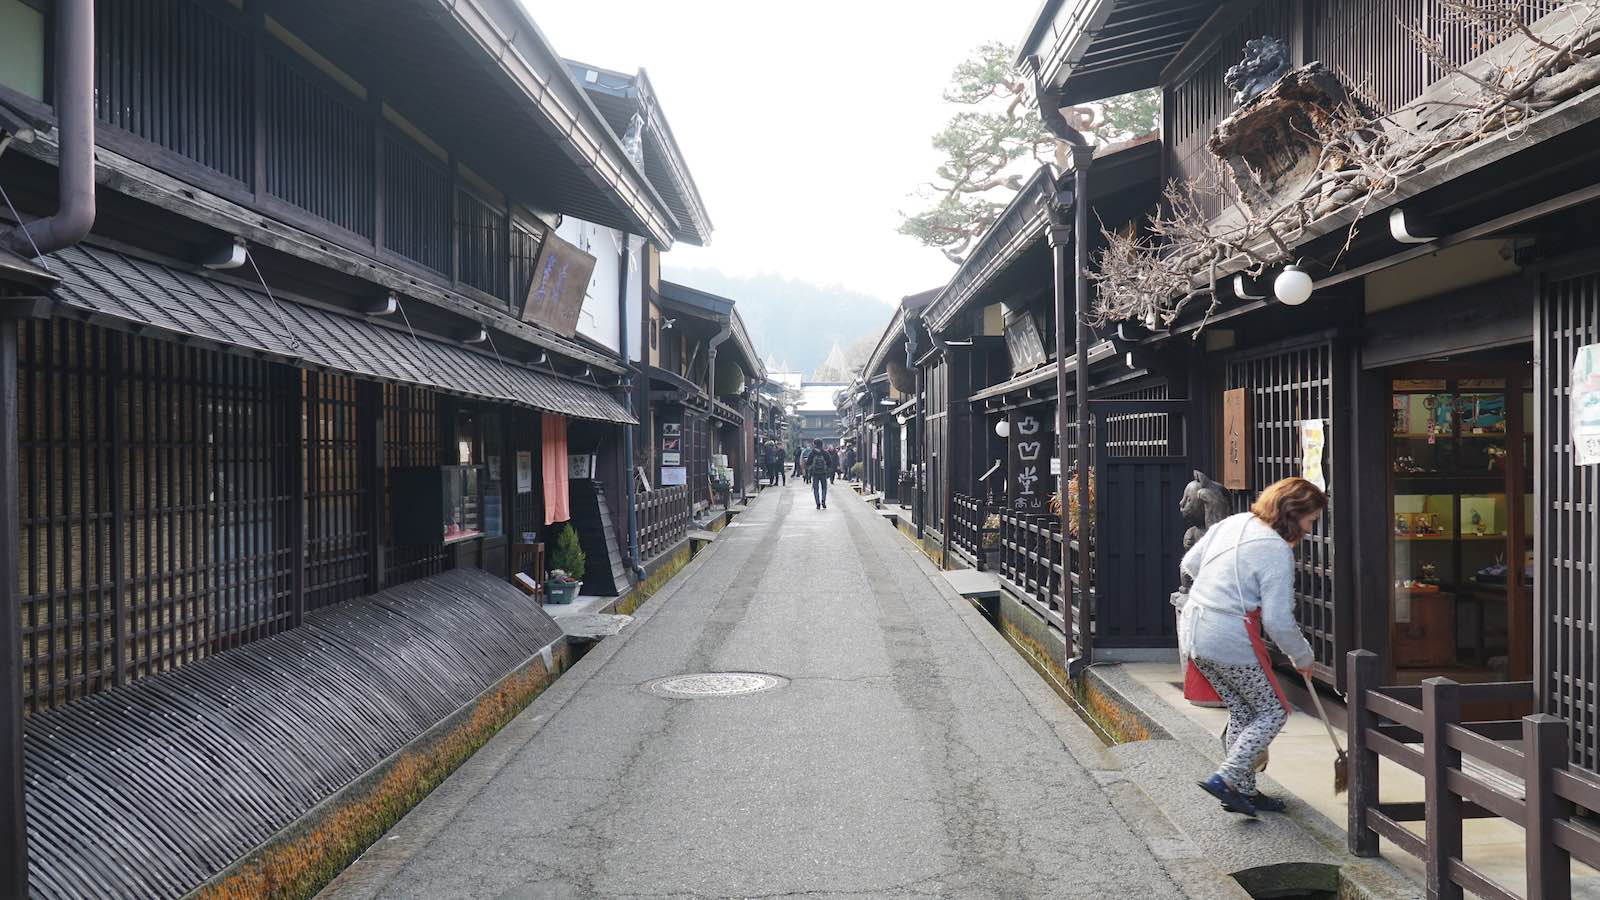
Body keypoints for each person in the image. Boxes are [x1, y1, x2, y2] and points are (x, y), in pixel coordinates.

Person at [1178, 476, 1325, 818]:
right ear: (1294, 512)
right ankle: (1227, 779)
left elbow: (1190, 565)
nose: (1309, 526)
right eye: (1310, 519)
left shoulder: (1234, 522)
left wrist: (1221, 586)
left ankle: (1242, 792)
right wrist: (1303, 657)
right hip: (1229, 635)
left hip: (1196, 630)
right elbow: (1277, 620)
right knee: (1273, 711)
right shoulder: (1275, 549)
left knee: (1244, 710)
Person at [807, 438, 833, 508]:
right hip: (823, 473)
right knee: (824, 488)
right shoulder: (825, 453)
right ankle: (823, 501)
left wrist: (809, 471)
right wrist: (828, 471)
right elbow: (830, 463)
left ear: (815, 444)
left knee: (816, 489)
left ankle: (818, 504)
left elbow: (808, 463)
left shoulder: (812, 453)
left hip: (815, 473)